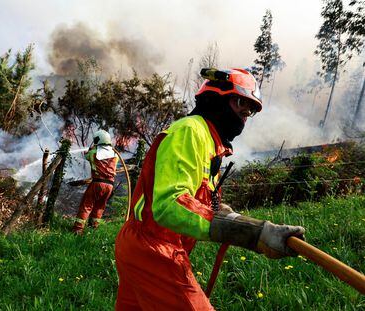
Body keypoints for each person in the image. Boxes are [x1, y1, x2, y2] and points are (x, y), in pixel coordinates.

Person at [114, 68, 305, 310]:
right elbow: (169, 205)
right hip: (155, 249)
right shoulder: (190, 131)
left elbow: (200, 198)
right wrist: (254, 233)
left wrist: (225, 213)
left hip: (144, 247)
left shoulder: (211, 143)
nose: (246, 114)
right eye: (240, 103)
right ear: (216, 98)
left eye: (251, 110)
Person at [72, 129, 118, 234]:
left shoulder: (94, 152)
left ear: (97, 140)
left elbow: (87, 156)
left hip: (98, 183)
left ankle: (78, 229)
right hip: (110, 186)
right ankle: (94, 227)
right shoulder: (115, 155)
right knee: (100, 206)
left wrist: (91, 149)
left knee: (87, 205)